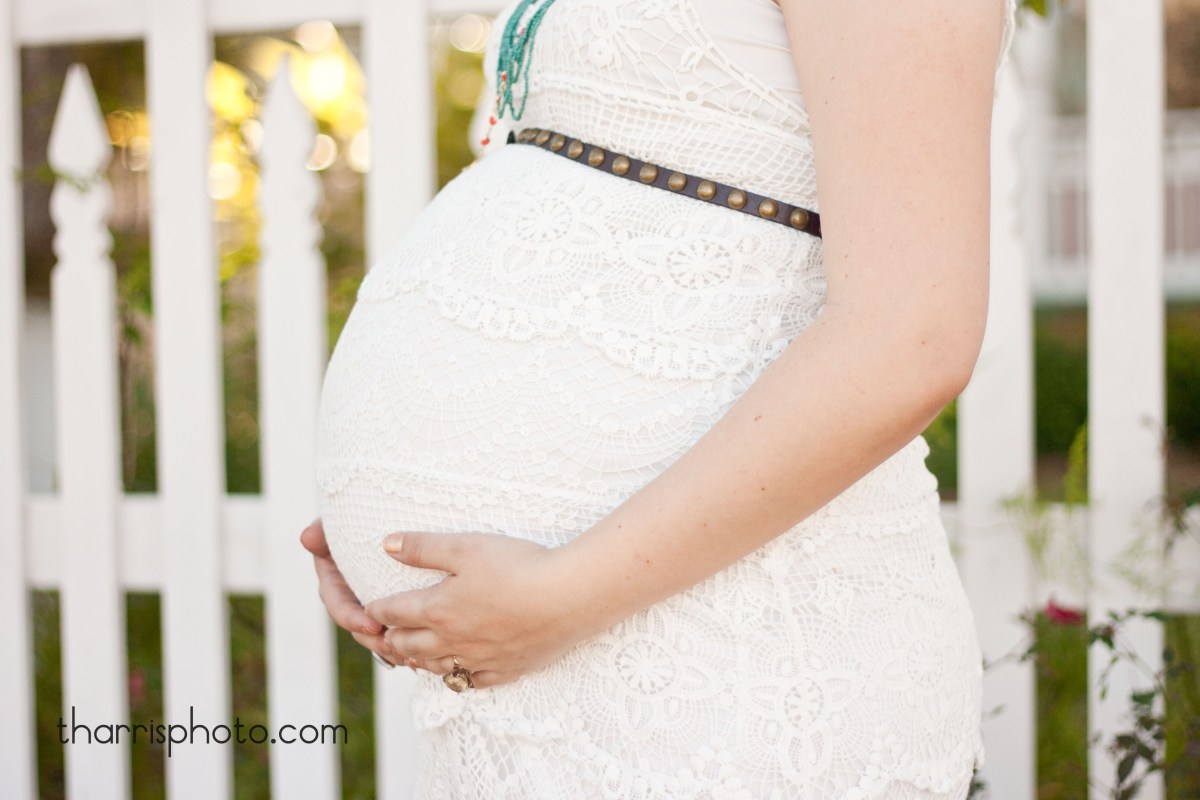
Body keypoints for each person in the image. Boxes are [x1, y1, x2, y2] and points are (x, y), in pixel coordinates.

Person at [302, 0, 1017, 796]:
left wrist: (560, 597)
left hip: (732, 670)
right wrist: (389, 515)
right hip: (542, 675)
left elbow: (912, 334)